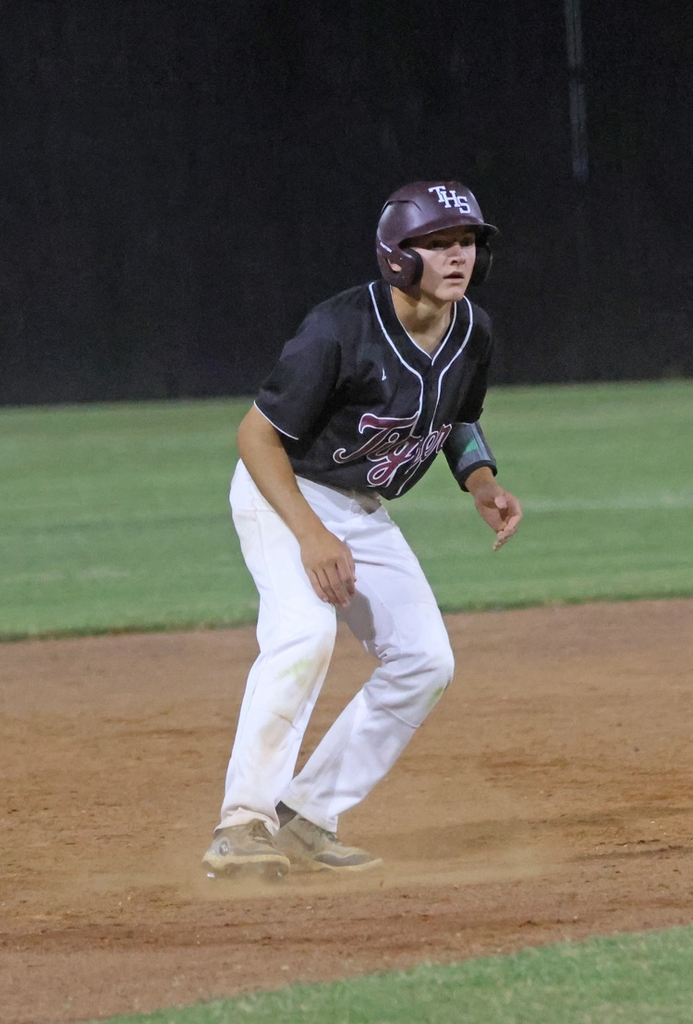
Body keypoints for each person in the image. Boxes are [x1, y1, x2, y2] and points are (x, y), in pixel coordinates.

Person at [202, 180, 523, 878]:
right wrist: (312, 537)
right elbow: (256, 438)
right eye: (436, 243)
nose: (456, 256)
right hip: (284, 490)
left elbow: (454, 416)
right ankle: (241, 825)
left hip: (360, 507)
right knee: (304, 634)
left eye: (465, 241)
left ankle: (306, 815)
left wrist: (480, 481)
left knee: (423, 661)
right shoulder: (339, 328)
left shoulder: (473, 327)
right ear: (396, 255)